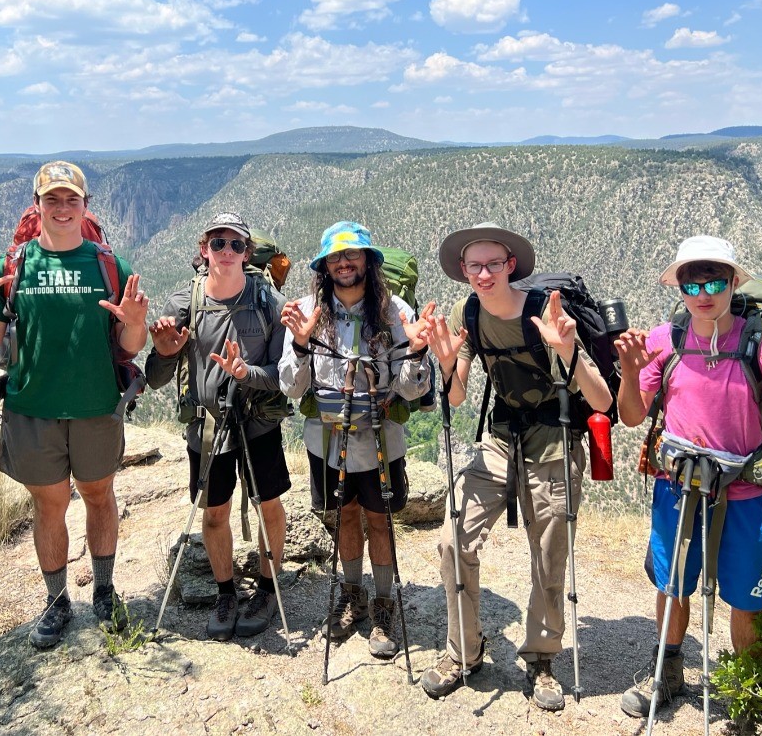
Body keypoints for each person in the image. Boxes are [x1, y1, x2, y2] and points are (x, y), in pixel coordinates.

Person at [614, 235, 762, 720]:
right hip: (677, 489)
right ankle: (667, 673)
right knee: (672, 585)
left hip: (744, 493)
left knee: (746, 599)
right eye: (692, 282)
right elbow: (630, 415)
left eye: (714, 281)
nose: (703, 292)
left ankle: (748, 696)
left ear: (732, 283)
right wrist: (628, 371)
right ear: (679, 288)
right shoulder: (665, 341)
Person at [0, 161, 149, 649]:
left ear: (85, 206)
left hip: (96, 406)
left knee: (99, 495)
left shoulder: (108, 265)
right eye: (52, 200)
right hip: (32, 409)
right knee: (49, 504)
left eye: (71, 200)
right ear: (36, 206)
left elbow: (130, 341)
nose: (62, 209)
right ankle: (58, 602)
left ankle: (103, 591)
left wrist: (136, 321)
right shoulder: (10, 270)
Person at [419, 223, 613, 710]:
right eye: (474, 266)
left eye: (493, 264)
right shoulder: (470, 313)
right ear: (463, 271)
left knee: (548, 554)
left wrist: (567, 350)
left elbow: (602, 399)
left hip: (553, 439)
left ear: (511, 266)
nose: (483, 274)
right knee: (452, 539)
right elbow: (458, 395)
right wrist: (445, 364)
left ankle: (542, 658)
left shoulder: (545, 314)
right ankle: (464, 651)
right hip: (502, 436)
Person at [279, 221, 431, 660]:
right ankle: (353, 593)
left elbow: (410, 389)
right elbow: (291, 386)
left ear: (368, 261)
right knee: (343, 515)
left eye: (352, 255)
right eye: (335, 257)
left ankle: (382, 604)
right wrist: (302, 343)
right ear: (325, 266)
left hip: (380, 436)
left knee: (380, 519)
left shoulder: (393, 310)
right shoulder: (307, 310)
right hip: (327, 438)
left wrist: (417, 351)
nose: (344, 263)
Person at [146, 212, 290, 642]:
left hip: (258, 420)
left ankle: (267, 588)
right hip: (208, 427)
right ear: (203, 249)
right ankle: (226, 592)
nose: (226, 252)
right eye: (218, 243)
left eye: (235, 245)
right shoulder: (183, 304)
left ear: (247, 253)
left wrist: (247, 374)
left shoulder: (268, 302)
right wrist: (166, 351)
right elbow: (154, 376)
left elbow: (284, 374)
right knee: (214, 512)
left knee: (268, 505)